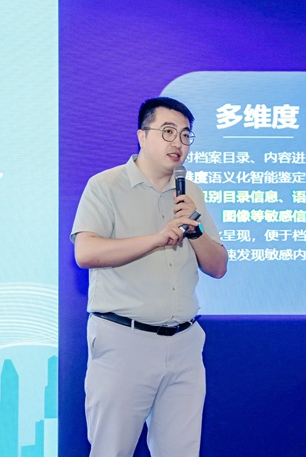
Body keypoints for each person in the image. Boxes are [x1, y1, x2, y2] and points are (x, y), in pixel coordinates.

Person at [71, 96, 228, 456]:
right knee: (112, 450)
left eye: (186, 135)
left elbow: (218, 267)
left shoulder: (191, 193)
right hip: (124, 340)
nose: (178, 143)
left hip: (184, 343)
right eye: (168, 132)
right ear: (142, 135)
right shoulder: (105, 186)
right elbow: (86, 252)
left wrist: (195, 231)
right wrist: (157, 239)